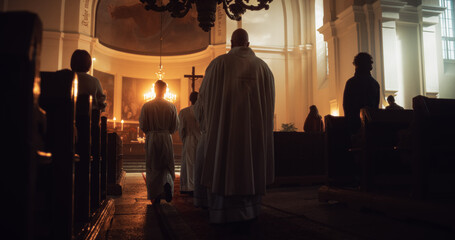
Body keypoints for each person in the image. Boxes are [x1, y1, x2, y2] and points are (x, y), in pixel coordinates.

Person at [194, 28, 275, 224]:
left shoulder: (218, 65)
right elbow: (270, 107)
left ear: (231, 43)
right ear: (248, 44)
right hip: (253, 136)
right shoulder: (264, 69)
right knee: (250, 167)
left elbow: (202, 102)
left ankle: (223, 213)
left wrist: (207, 126)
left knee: (224, 168)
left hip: (224, 135)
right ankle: (251, 211)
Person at [139, 80, 179, 205]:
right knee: (167, 165)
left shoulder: (147, 106)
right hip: (166, 137)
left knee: (153, 167)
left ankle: (155, 195)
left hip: (152, 137)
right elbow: (175, 126)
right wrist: (167, 131)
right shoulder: (171, 106)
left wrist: (150, 132)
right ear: (165, 90)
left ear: (154, 89)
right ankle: (167, 184)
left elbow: (143, 125)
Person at [343, 52, 380, 134]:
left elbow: (347, 108)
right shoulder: (375, 84)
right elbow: (376, 108)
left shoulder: (351, 83)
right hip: (372, 127)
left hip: (355, 126)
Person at [178, 91, 201, 195]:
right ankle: (200, 187)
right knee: (200, 164)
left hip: (189, 139)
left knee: (189, 164)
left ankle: (189, 187)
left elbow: (181, 129)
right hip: (201, 140)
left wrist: (184, 140)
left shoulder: (183, 112)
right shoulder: (203, 111)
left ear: (190, 100)